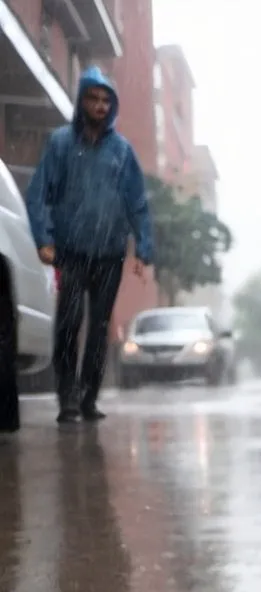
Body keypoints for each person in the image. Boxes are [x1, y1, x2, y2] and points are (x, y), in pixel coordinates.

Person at [26, 66, 154, 424]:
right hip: (70, 251)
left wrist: (143, 248)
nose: (99, 106)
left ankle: (89, 397)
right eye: (92, 98)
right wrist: (44, 239)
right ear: (81, 101)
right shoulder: (61, 143)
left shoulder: (122, 151)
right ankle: (66, 397)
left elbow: (137, 202)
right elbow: (39, 195)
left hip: (110, 253)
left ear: (111, 107)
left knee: (99, 328)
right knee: (68, 323)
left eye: (105, 100)